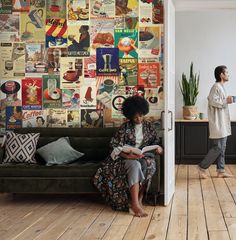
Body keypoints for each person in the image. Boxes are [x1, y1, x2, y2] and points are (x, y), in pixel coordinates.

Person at [94, 96, 163, 217]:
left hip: (144, 156)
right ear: (129, 115)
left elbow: (156, 142)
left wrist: (158, 148)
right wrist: (127, 155)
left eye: (141, 115)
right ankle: (135, 204)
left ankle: (140, 198)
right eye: (135, 116)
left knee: (149, 164)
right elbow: (114, 146)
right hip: (126, 158)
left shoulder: (149, 127)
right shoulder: (124, 128)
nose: (139, 119)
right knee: (135, 165)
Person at [198, 65, 234, 178]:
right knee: (217, 147)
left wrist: (226, 100)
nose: (228, 74)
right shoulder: (216, 86)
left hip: (223, 123)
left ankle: (221, 170)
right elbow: (213, 101)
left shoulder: (222, 87)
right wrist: (226, 100)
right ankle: (202, 167)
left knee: (222, 148)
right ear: (221, 75)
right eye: (226, 73)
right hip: (218, 123)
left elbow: (220, 101)